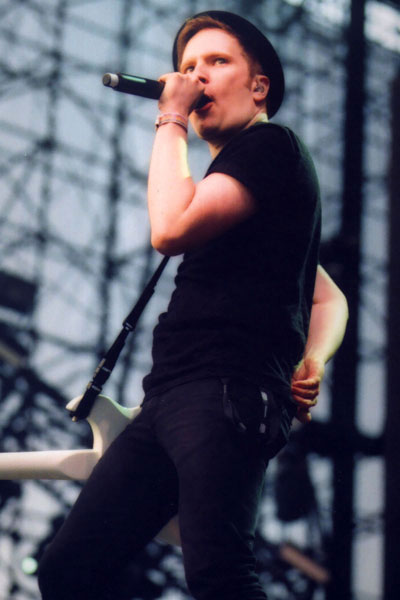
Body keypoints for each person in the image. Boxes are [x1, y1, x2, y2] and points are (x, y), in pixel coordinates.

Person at [38, 11, 348, 600]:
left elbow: (170, 228)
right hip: (170, 395)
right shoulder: (235, 184)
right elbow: (327, 295)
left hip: (225, 391)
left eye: (216, 62)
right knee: (67, 572)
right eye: (187, 66)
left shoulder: (271, 146)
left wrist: (171, 116)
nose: (195, 76)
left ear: (259, 87)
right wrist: (314, 360)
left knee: (220, 577)